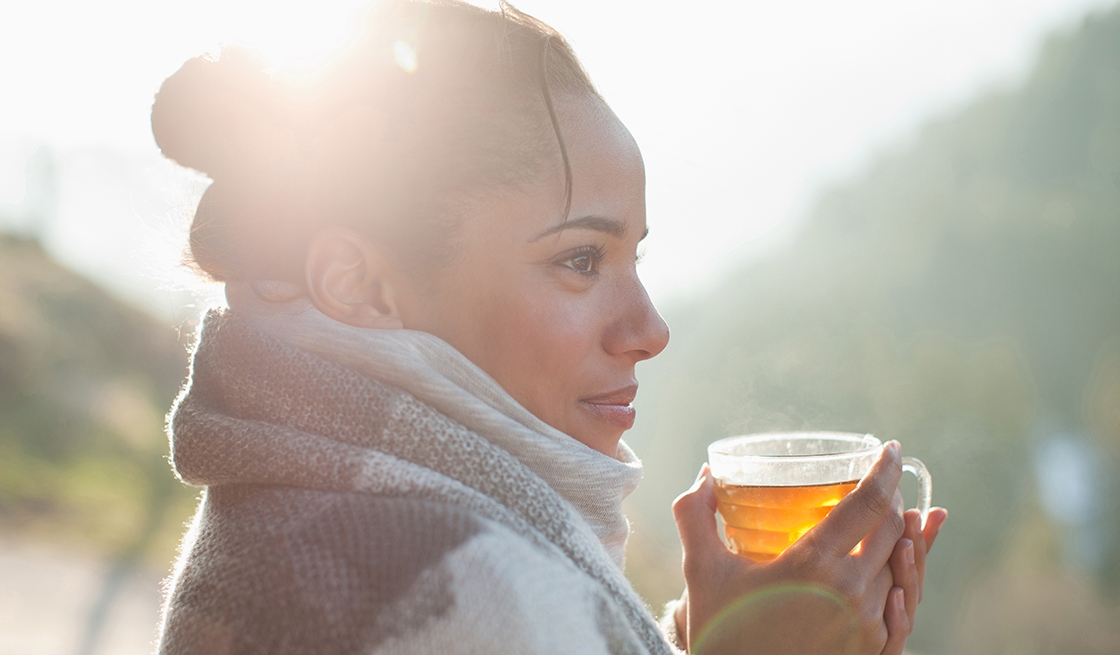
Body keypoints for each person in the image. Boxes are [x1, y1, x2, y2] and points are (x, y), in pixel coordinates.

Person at [151, 1, 948, 653]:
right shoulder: (469, 589)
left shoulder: (299, 508)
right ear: (359, 284)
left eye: (633, 257)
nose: (650, 328)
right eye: (579, 260)